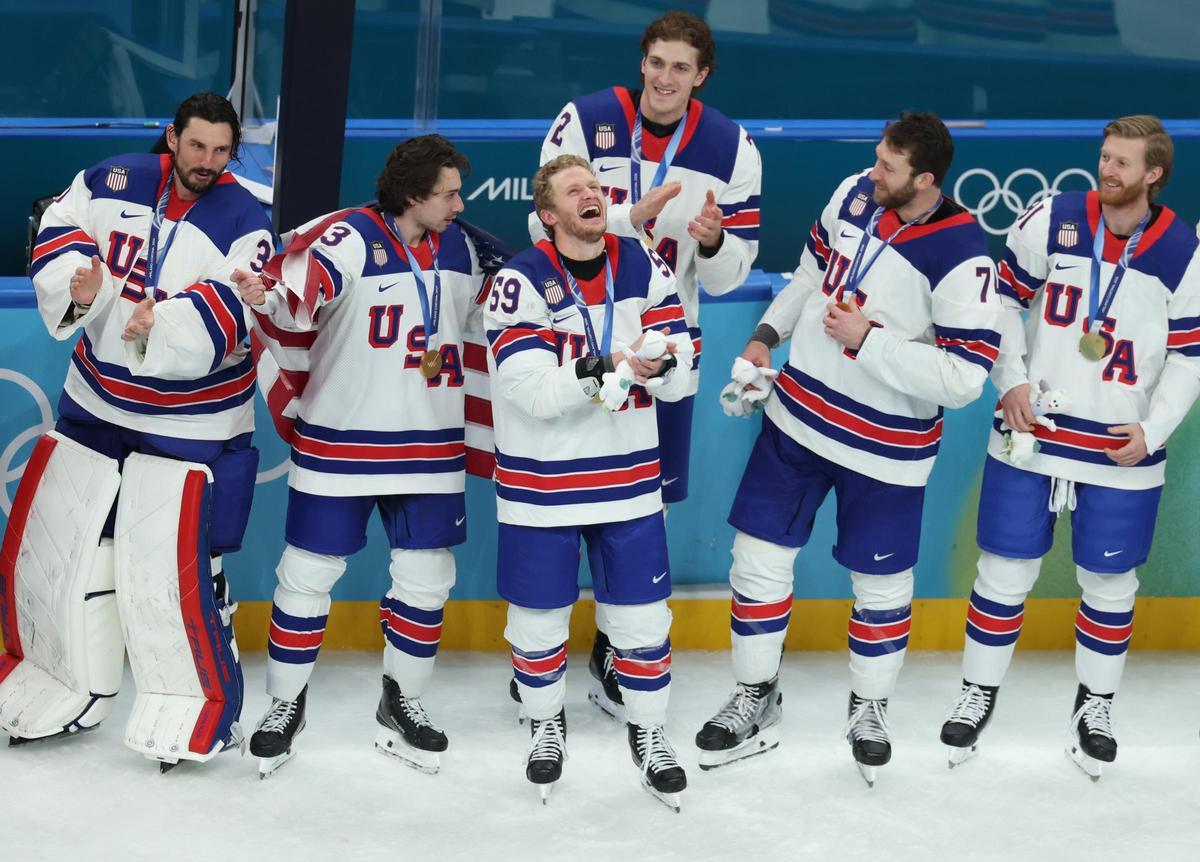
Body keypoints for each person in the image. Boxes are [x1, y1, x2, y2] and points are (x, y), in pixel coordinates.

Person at [696, 113, 1001, 786]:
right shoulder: (855, 192)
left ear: (926, 180)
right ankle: (756, 695)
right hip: (797, 419)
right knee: (756, 562)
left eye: (889, 167)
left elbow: (965, 380)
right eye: (875, 158)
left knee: (882, 586)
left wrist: (871, 341)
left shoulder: (964, 255)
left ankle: (869, 707)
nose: (873, 172)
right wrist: (766, 336)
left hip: (885, 449)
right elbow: (809, 274)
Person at [2, 92, 273, 769]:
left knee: (182, 566)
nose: (207, 161)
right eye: (196, 146)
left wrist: (168, 325)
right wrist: (81, 287)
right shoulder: (113, 178)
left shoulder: (246, 216)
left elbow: (238, 304)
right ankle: (71, 688)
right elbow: (60, 227)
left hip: (194, 422)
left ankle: (202, 705)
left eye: (220, 150)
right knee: (70, 551)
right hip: (95, 403)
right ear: (173, 139)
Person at [939, 115, 1200, 781]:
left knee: (1111, 585)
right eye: (1105, 157)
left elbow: (1190, 360)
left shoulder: (1183, 254)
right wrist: (1013, 379)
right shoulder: (1049, 217)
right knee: (1002, 572)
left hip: (1120, 448)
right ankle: (978, 691)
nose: (1107, 170)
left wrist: (1154, 430)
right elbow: (999, 303)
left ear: (1154, 175)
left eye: (1122, 163)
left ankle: (1096, 705)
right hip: (1032, 431)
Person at [234, 135, 495, 778]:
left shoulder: (465, 245)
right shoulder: (349, 236)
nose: (461, 203)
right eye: (449, 193)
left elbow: (538, 286)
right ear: (413, 196)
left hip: (432, 445)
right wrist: (268, 297)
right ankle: (284, 705)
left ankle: (401, 701)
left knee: (427, 580)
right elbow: (302, 287)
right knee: (306, 577)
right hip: (340, 441)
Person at [527, 8, 762, 721]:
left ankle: (611, 645)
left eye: (681, 68)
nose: (665, 78)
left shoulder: (730, 147)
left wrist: (717, 243)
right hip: (576, 339)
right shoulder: (585, 119)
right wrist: (628, 218)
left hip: (664, 350)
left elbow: (727, 280)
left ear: (703, 75)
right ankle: (537, 654)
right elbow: (539, 224)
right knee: (564, 492)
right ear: (643, 62)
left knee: (638, 504)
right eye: (656, 62)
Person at [488, 155, 694, 809]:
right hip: (541, 486)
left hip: (630, 481)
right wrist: (607, 365)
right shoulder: (518, 282)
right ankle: (546, 722)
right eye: (574, 190)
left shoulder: (642, 265)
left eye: (596, 188)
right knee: (538, 621)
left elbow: (682, 366)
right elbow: (531, 392)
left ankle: (650, 732)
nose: (592, 196)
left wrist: (658, 368)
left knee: (641, 620)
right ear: (547, 215)